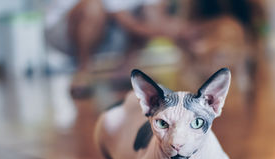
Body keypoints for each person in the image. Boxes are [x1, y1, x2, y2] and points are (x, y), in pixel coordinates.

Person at [45, 0, 185, 98]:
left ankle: (125, 71)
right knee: (93, 6)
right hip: (63, 33)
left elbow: (154, 18)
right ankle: (83, 71)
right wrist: (173, 32)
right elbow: (128, 23)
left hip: (109, 31)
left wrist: (179, 29)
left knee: (142, 15)